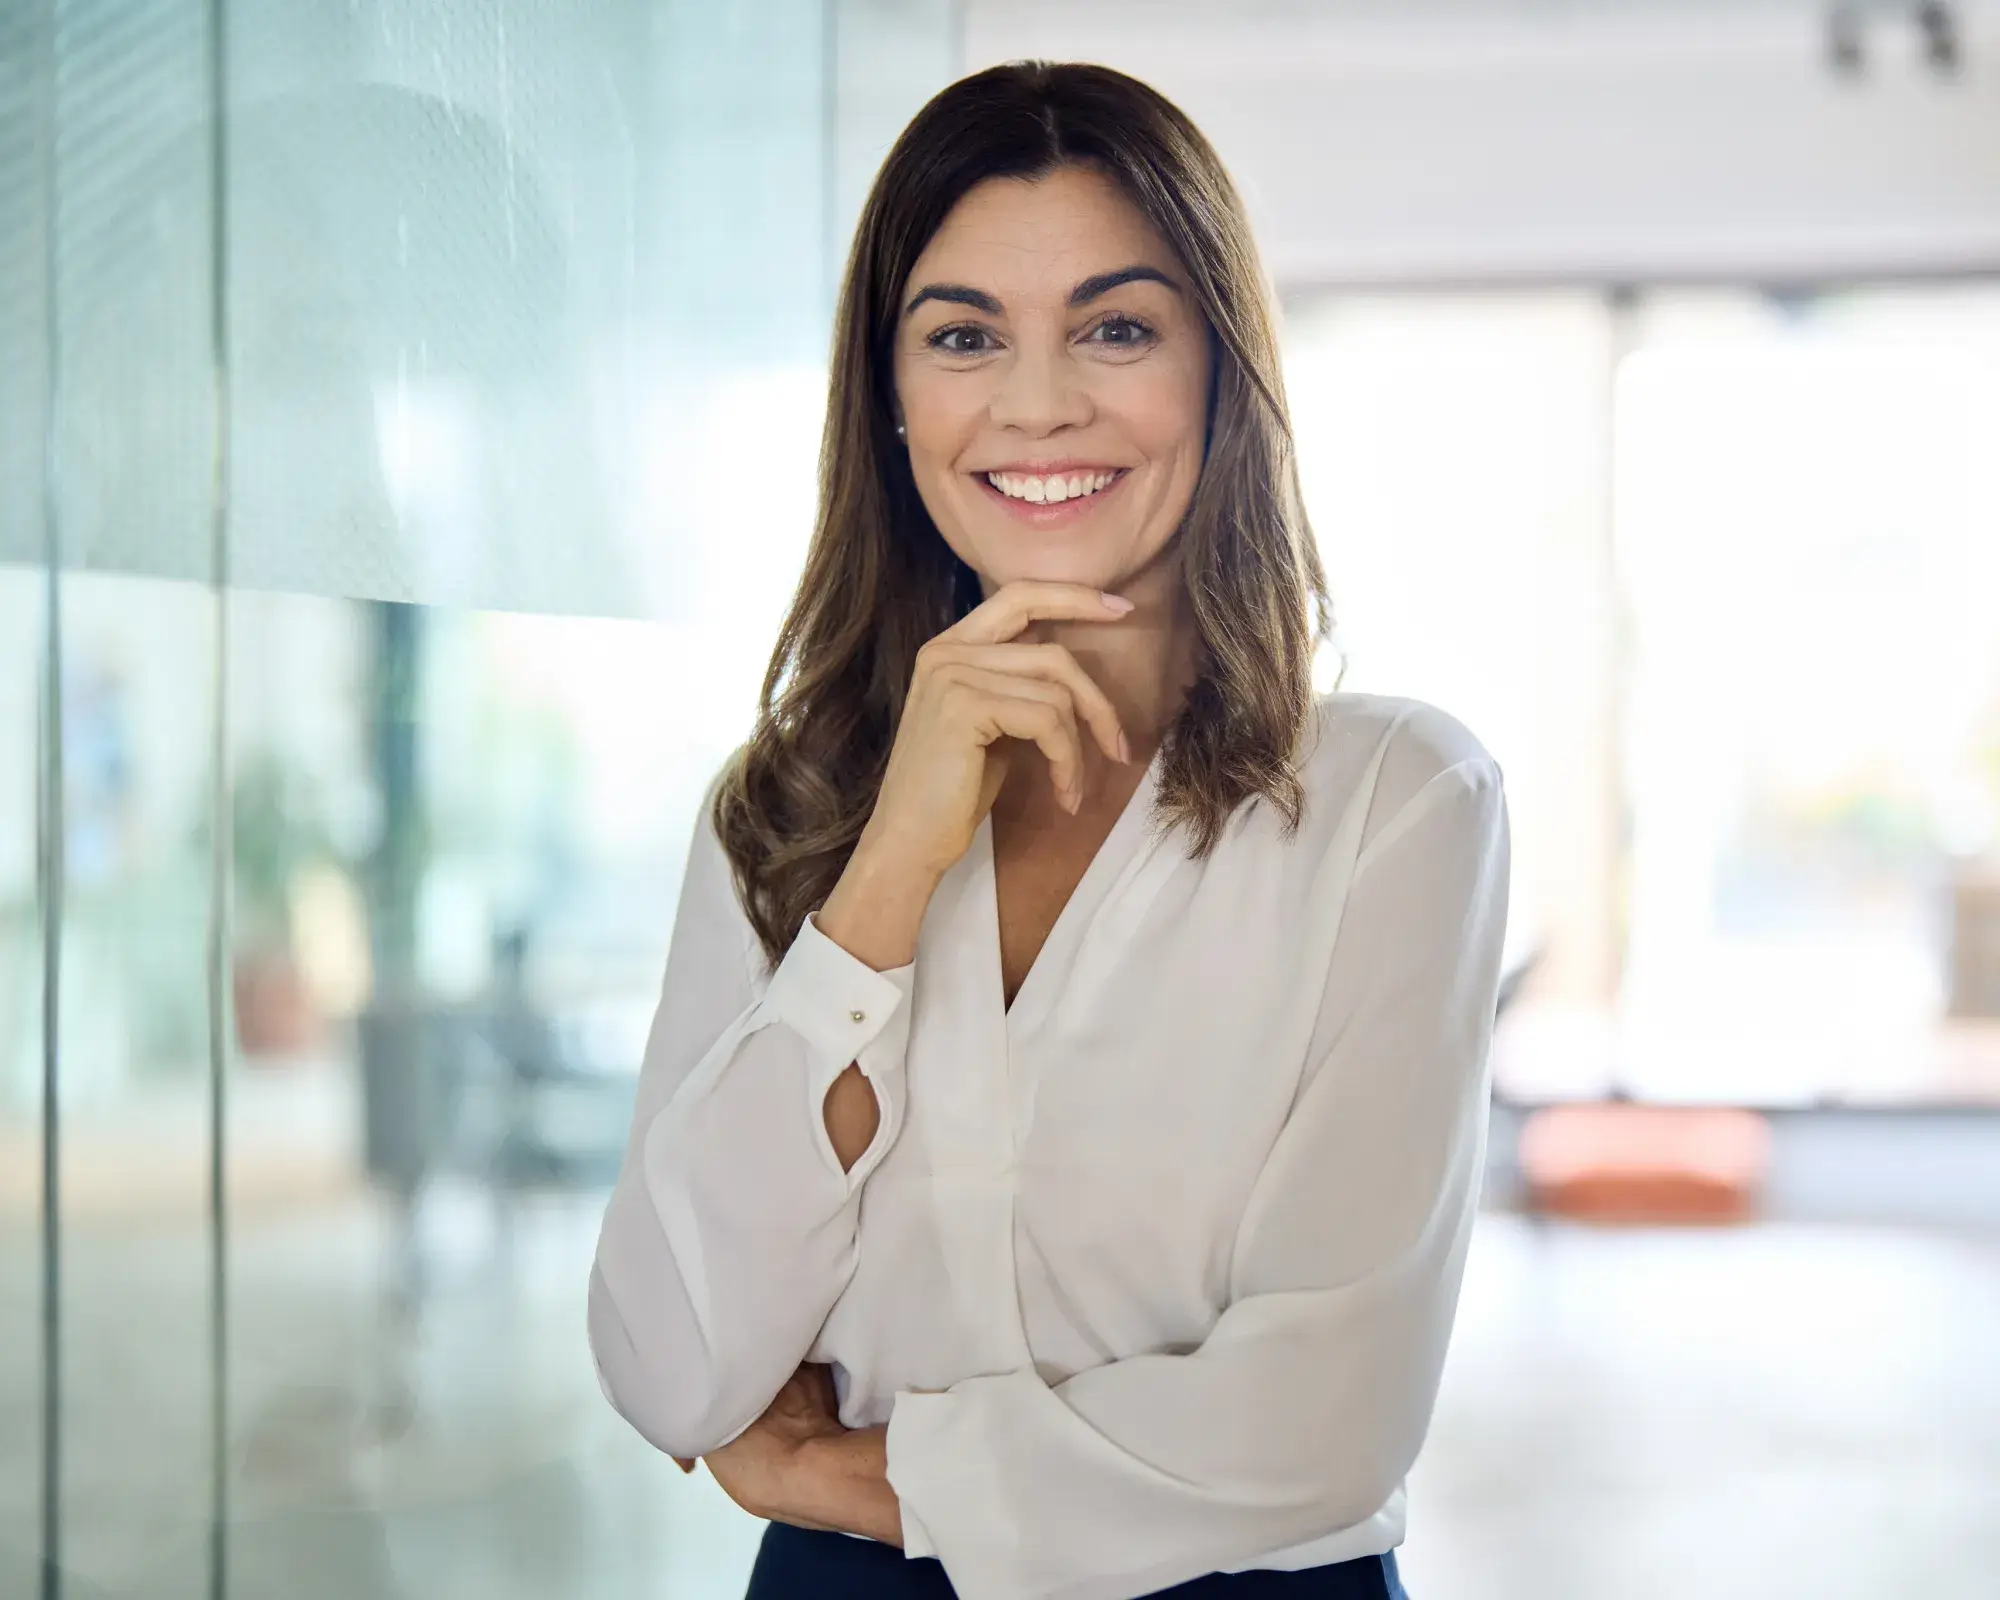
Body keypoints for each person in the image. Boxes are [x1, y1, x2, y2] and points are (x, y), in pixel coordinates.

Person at [588, 60, 1510, 1600]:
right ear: (889, 400)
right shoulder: (784, 808)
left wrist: (846, 1476)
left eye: (1117, 327)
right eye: (963, 336)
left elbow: (1325, 1422)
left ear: (1221, 374)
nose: (1036, 402)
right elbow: (668, 1362)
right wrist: (883, 874)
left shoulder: (1396, 806)